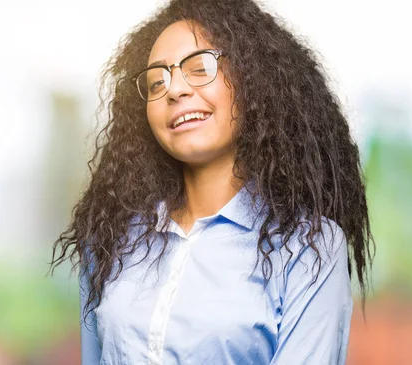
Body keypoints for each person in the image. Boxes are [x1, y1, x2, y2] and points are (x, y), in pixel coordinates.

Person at [50, 0, 374, 364]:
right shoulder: (111, 240)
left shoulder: (308, 250)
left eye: (200, 67)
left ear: (253, 78)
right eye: (158, 80)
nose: (174, 90)